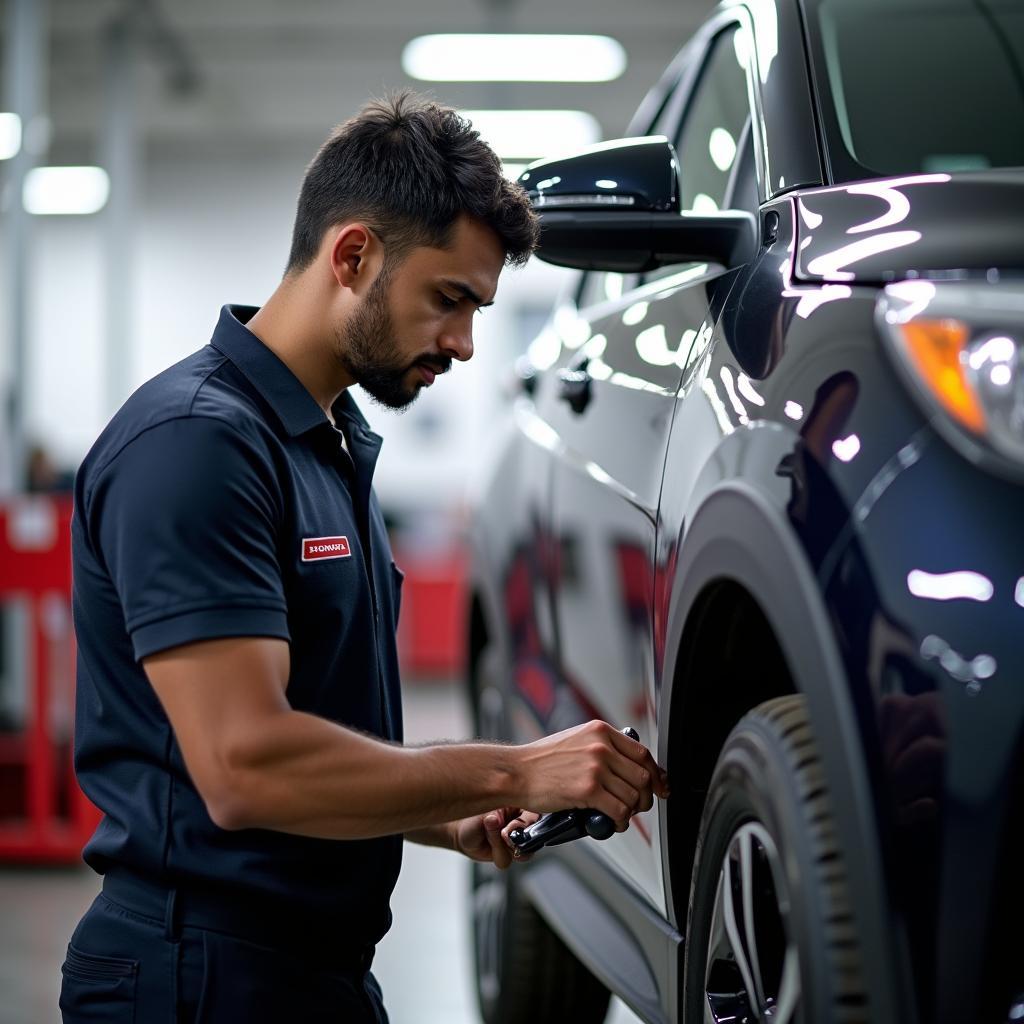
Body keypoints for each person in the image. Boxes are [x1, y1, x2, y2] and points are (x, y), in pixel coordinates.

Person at [60, 92, 669, 1023]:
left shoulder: (327, 442)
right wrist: (510, 770)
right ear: (353, 257)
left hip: (313, 976)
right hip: (195, 981)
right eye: (449, 299)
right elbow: (245, 766)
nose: (465, 343)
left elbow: (310, 732)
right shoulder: (196, 446)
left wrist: (442, 816)